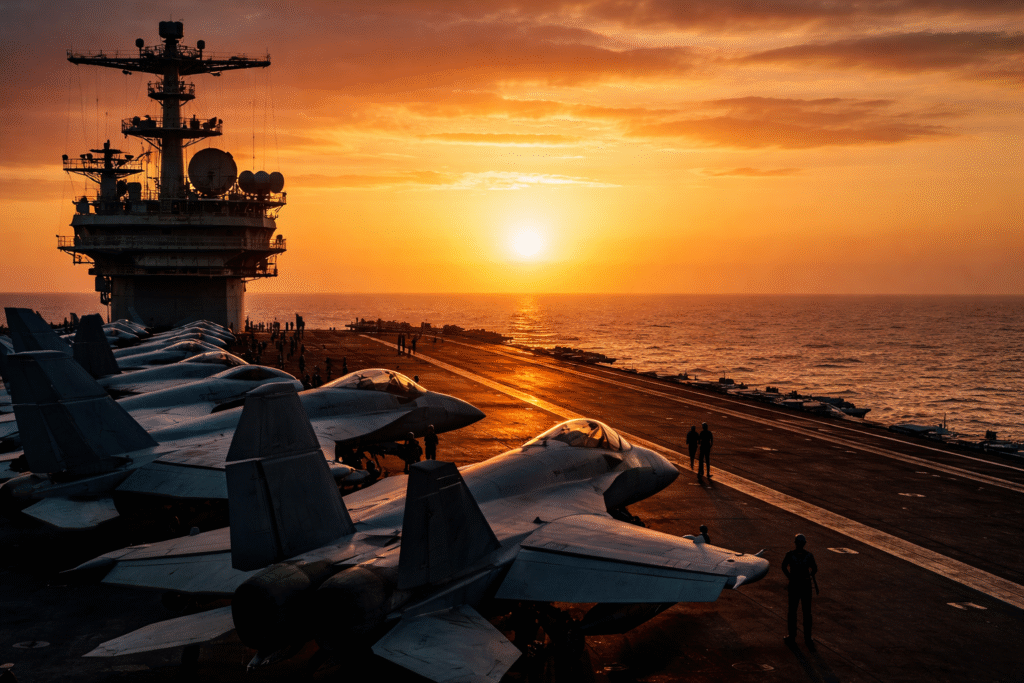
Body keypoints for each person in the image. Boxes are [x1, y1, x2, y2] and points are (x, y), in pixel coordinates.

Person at [782, 533, 818, 649]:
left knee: (792, 611)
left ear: (795, 543)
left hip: (794, 585)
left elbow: (783, 566)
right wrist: (808, 575)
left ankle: (792, 637)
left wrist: (790, 576)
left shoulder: (790, 555)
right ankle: (808, 638)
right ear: (804, 544)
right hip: (806, 586)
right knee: (807, 613)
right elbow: (815, 569)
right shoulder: (809, 555)